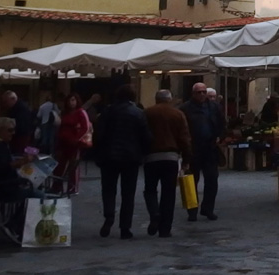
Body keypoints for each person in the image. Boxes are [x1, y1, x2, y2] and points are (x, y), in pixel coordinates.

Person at [92, 84, 151, 239]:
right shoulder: (138, 113)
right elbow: (145, 136)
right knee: (128, 193)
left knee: (108, 189)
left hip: (109, 156)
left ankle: (109, 215)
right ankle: (125, 227)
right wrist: (144, 153)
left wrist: (98, 153)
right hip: (131, 157)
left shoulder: (107, 111)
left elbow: (99, 134)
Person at [143, 89, 191, 238]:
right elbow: (184, 138)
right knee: (168, 193)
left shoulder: (147, 113)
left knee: (150, 189)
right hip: (171, 157)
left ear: (156, 99)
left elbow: (141, 133)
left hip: (151, 156)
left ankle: (154, 213)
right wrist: (187, 159)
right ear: (169, 100)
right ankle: (165, 229)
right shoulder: (177, 114)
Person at [179, 82, 224, 221]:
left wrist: (219, 137)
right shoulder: (185, 108)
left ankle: (208, 209)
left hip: (210, 148)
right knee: (191, 180)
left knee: (212, 179)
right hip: (193, 149)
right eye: (199, 92)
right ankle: (192, 210)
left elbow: (222, 123)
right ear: (193, 94)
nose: (202, 94)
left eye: (204, 92)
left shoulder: (214, 107)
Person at [0, 117, 30, 239]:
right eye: (10, 130)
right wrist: (24, 161)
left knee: (31, 189)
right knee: (36, 194)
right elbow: (3, 167)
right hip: (0, 189)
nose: (13, 133)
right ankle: (12, 225)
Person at [54, 93, 91, 194]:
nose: (72, 102)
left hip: (74, 143)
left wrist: (76, 138)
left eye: (74, 100)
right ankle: (57, 186)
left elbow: (85, 127)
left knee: (73, 166)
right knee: (60, 165)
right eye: (70, 100)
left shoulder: (80, 112)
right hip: (63, 142)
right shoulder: (64, 113)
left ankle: (72, 187)